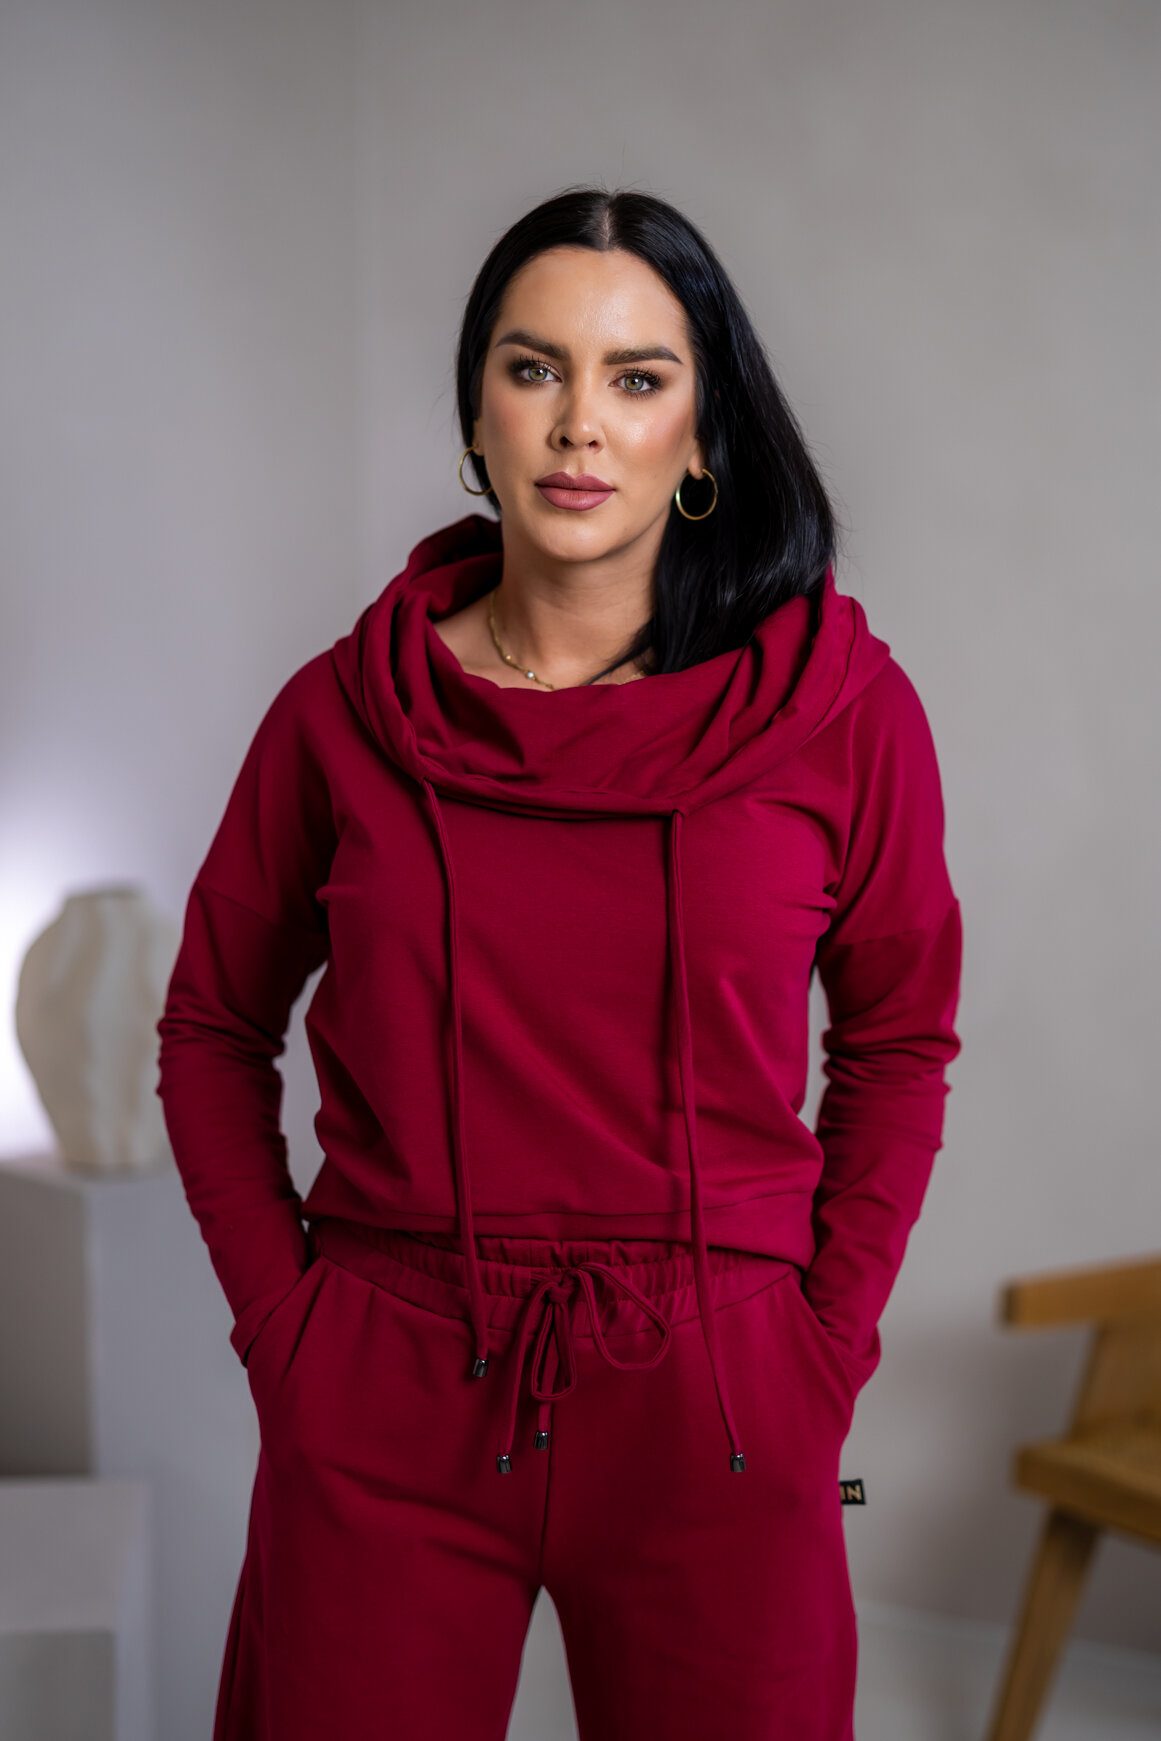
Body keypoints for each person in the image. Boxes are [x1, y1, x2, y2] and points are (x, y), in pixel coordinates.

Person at [156, 186, 962, 1741]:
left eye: (635, 377)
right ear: (476, 414)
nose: (578, 422)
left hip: (721, 1392)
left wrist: (819, 1350)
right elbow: (210, 1025)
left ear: (701, 431)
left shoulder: (843, 715)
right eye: (532, 369)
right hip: (387, 1374)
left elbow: (896, 1042)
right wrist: (287, 1332)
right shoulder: (338, 715)